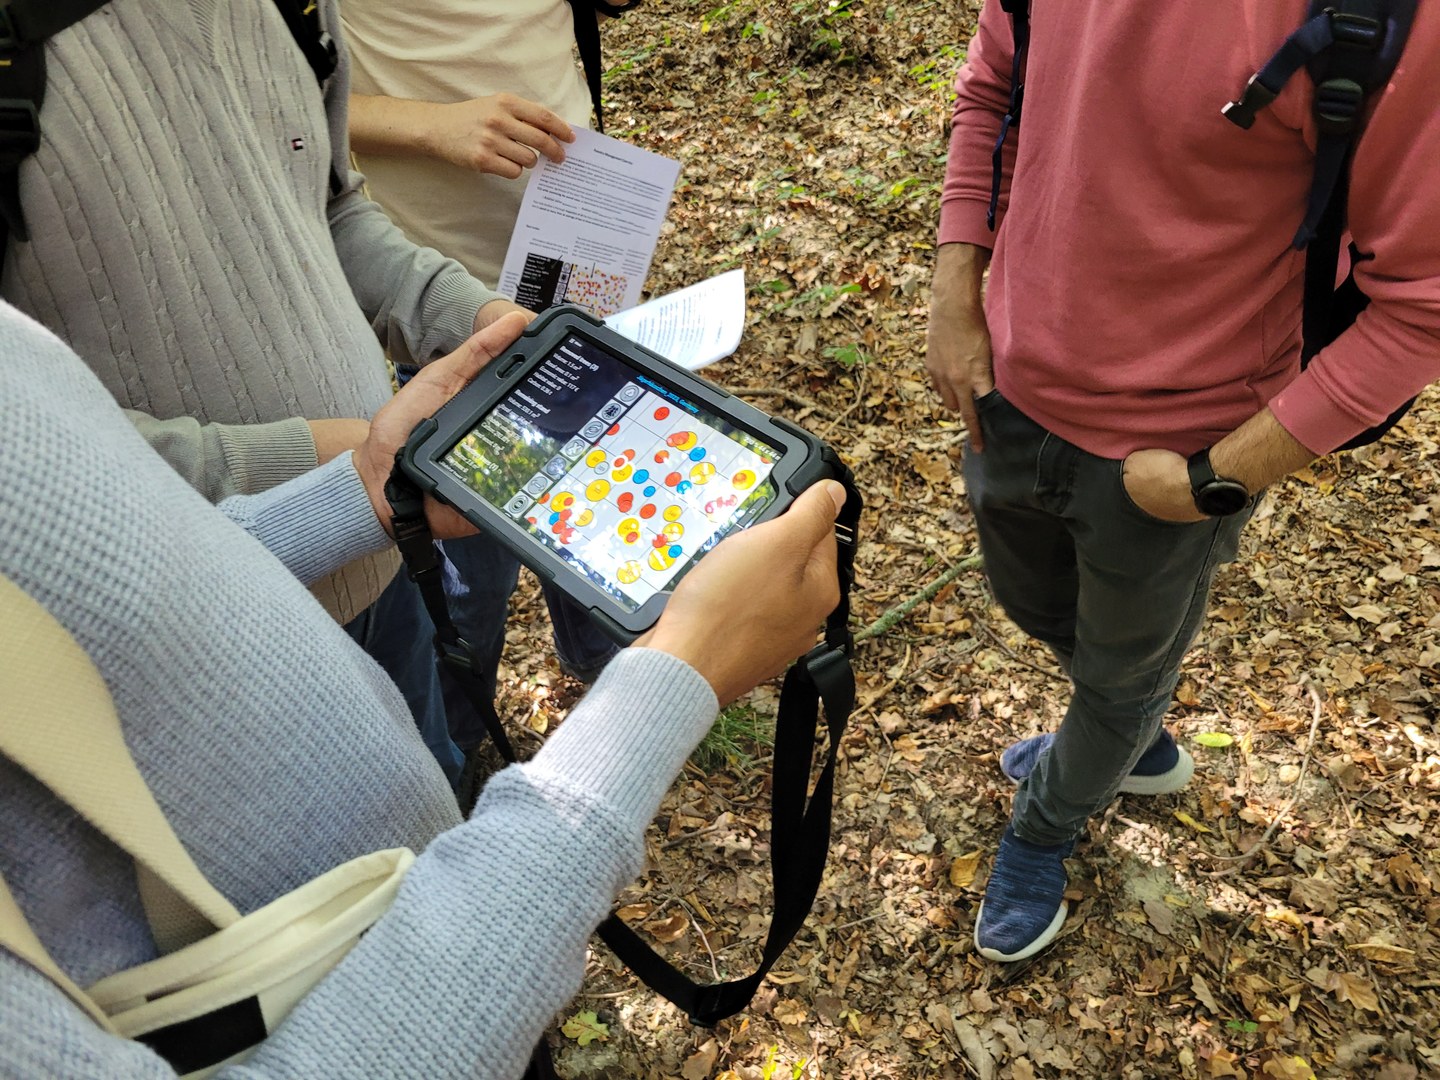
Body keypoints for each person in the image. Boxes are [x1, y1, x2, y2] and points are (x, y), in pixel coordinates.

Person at [0, 304, 848, 1078]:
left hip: (460, 934)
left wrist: (362, 493)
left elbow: (112, 580)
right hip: (386, 1003)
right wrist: (667, 687)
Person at [926, 0, 1440, 962]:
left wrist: (1213, 482)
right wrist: (957, 289)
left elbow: (1420, 309)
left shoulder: (1383, 20)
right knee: (1040, 610)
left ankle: (1047, 824)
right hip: (1005, 389)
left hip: (1167, 457)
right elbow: (995, 85)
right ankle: (1128, 743)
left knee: (1120, 678)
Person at [0, 0, 530, 783]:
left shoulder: (295, 6)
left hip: (386, 563)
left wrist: (476, 318)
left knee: (428, 802)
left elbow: (328, 206)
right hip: (187, 636)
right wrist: (330, 467)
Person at [338, 0, 635, 746]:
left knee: (592, 501)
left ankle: (610, 675)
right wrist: (432, 124)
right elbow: (278, 117)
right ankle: (461, 742)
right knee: (472, 565)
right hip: (441, 299)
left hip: (583, 255)